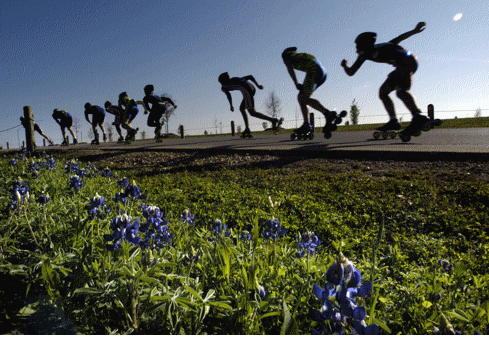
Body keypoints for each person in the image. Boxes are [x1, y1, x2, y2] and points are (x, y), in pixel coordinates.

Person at [341, 22, 428, 134]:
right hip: (408, 62)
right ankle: (394, 121)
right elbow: (399, 38)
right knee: (383, 92)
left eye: (357, 45)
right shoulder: (383, 45)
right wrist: (414, 31)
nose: (356, 48)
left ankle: (418, 117)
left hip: (405, 63)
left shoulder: (365, 53)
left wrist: (345, 65)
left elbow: (351, 72)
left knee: (401, 92)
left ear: (363, 44)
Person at [282, 47, 338, 137]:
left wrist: (296, 82)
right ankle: (307, 123)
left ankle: (327, 114)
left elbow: (289, 68)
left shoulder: (289, 57)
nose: (284, 63)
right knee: (301, 97)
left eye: (283, 61)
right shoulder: (298, 56)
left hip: (313, 70)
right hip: (322, 72)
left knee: (304, 98)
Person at [218, 72, 283, 137]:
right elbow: (250, 76)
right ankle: (247, 128)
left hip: (247, 91)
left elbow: (228, 95)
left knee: (252, 113)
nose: (221, 84)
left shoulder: (224, 86)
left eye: (220, 82)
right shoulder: (235, 79)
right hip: (252, 88)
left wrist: (231, 105)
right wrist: (258, 85)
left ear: (224, 81)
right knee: (242, 108)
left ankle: (273, 120)